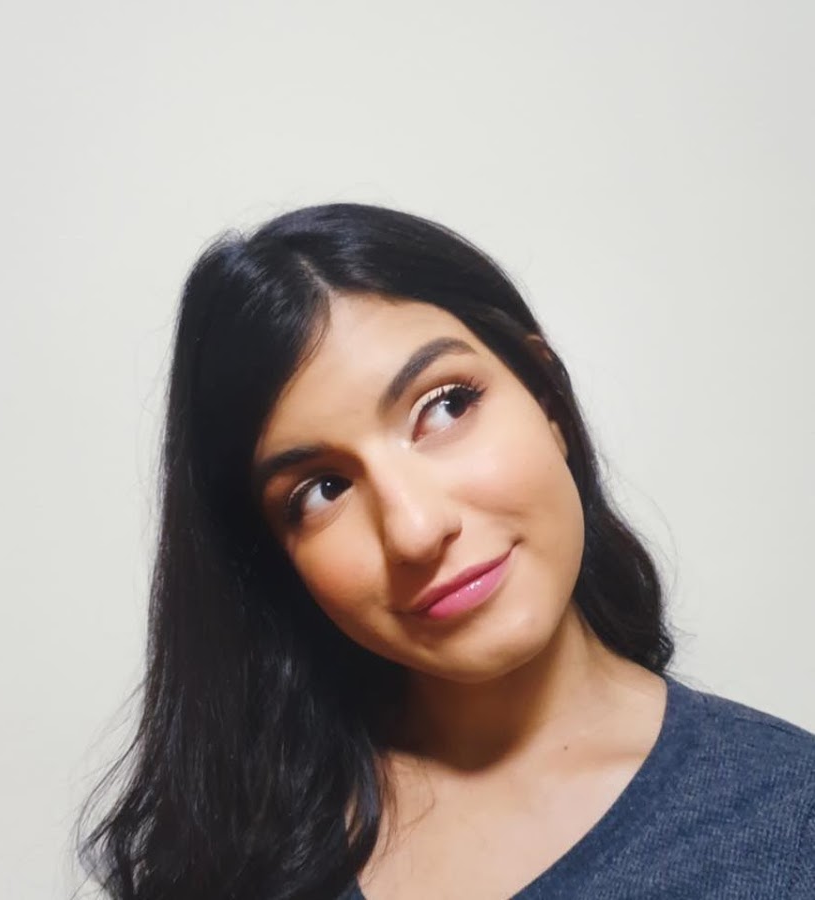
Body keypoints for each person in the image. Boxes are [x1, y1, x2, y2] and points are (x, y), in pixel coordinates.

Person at [78, 204, 815, 900]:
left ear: (548, 400)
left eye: (446, 407)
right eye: (324, 489)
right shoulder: (241, 846)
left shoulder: (789, 823)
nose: (414, 529)